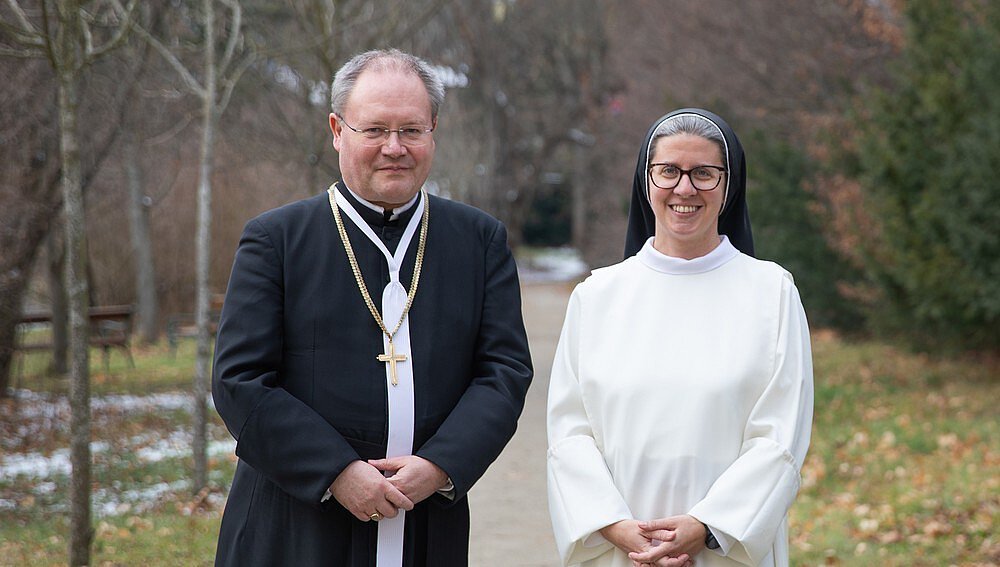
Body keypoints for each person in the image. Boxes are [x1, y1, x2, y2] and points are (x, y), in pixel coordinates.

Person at [212, 48, 533, 567]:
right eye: (375, 130)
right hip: (296, 524)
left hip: (427, 517)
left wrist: (440, 464)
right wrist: (337, 472)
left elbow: (504, 372)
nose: (395, 148)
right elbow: (239, 381)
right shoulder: (277, 240)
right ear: (337, 130)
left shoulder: (478, 241)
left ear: (433, 131)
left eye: (411, 130)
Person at [546, 108, 813, 567]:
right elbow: (569, 433)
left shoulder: (772, 294)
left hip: (725, 550)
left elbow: (781, 435)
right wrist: (616, 526)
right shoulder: (597, 296)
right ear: (645, 180)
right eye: (668, 171)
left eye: (704, 173)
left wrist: (706, 526)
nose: (684, 189)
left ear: (728, 186)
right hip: (622, 551)